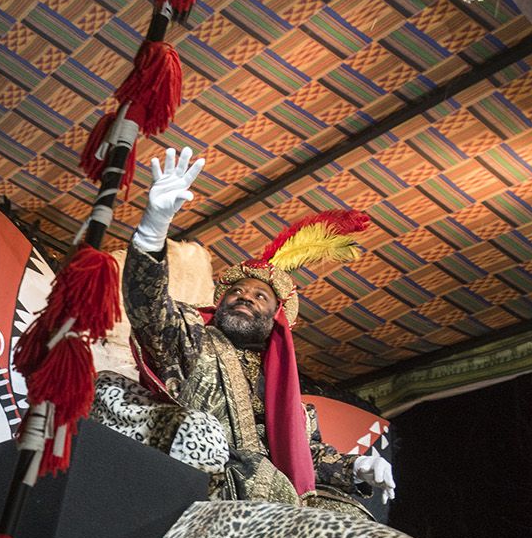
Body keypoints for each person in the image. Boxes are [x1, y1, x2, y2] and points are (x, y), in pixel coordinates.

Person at [122, 146, 397, 510]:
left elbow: (308, 457)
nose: (244, 297)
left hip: (272, 489)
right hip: (200, 466)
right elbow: (148, 305)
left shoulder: (295, 407)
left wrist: (358, 465)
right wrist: (153, 228)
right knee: (264, 484)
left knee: (345, 516)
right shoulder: (192, 335)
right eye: (235, 291)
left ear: (276, 322)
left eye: (260, 297)